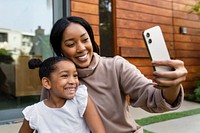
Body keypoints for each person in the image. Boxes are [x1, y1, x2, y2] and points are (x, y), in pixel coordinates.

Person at [41, 16, 188, 133]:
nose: (81, 48)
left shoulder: (115, 66)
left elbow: (152, 98)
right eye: (71, 44)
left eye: (85, 40)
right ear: (60, 50)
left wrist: (172, 86)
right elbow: (48, 121)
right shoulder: (55, 80)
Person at [18, 57, 105, 133]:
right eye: (64, 76)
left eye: (75, 76)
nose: (72, 81)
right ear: (47, 83)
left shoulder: (80, 99)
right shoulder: (34, 113)